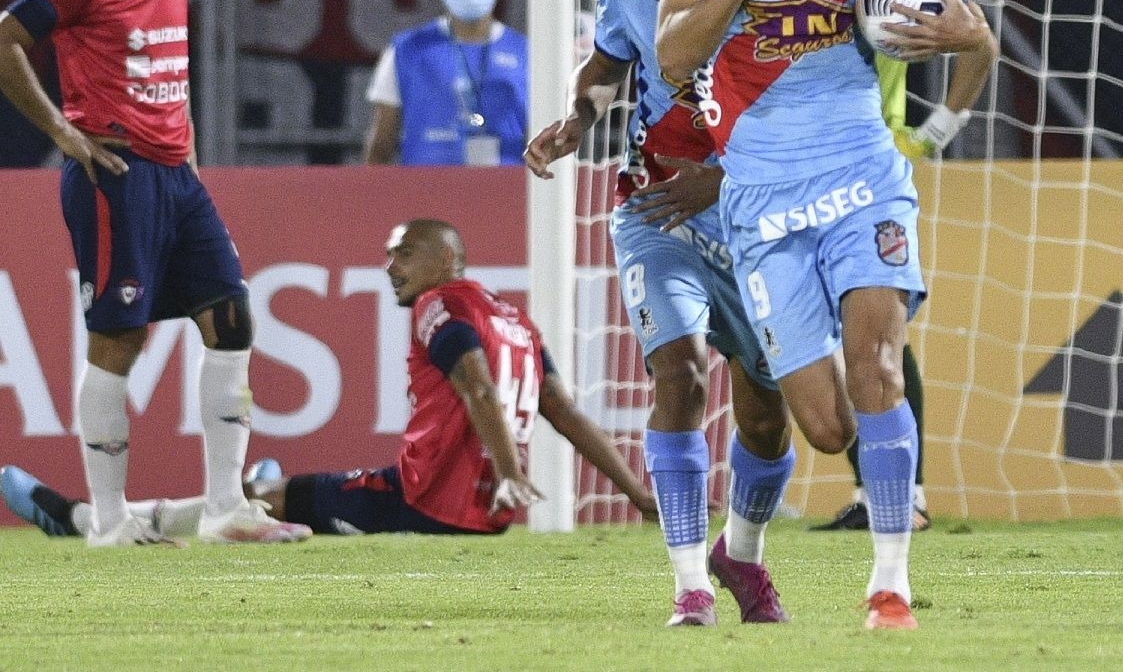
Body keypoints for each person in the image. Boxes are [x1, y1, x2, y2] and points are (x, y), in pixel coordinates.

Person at [654, 0, 999, 629]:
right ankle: (739, 547)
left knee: (878, 366)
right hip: (763, 198)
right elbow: (674, 52)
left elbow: (974, 31)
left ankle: (891, 584)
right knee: (825, 424)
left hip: (863, 174)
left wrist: (955, 42)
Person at [0, 0, 308, 547]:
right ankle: (109, 520)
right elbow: (6, 39)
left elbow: (174, 69)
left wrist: (190, 161)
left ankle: (227, 508)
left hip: (177, 175)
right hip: (116, 176)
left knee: (231, 318)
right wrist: (63, 133)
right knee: (119, 338)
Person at [525, 0, 795, 629]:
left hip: (755, 219)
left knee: (767, 414)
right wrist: (576, 121)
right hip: (655, 212)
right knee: (679, 375)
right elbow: (603, 70)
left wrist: (725, 178)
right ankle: (689, 584)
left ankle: (739, 552)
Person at [1, 219, 658, 539]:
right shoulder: (516, 322)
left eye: (405, 253)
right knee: (266, 496)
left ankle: (83, 518)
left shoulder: (441, 305)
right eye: (388, 254)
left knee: (264, 501)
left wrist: (511, 468)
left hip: (421, 502)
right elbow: (564, 412)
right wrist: (637, 492)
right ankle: (243, 490)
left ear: (447, 258)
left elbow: (477, 387)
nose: (390, 265)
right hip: (487, 515)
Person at [812, 0, 937, 534]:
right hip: (789, 173)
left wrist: (928, 134)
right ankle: (882, 492)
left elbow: (966, 34)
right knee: (850, 346)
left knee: (882, 343)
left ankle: (900, 496)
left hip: (866, 172)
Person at [365, 0, 528, 166]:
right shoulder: (406, 50)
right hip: (424, 186)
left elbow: (541, 136)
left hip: (505, 186)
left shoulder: (526, 53)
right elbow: (381, 144)